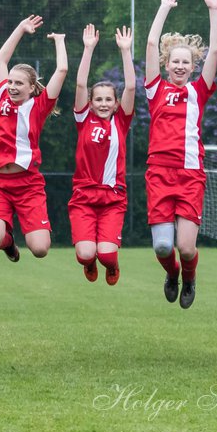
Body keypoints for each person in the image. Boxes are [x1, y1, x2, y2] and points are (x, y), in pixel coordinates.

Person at [142, 0, 217, 308]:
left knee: (187, 247)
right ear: (166, 63)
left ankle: (189, 276)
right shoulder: (155, 89)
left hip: (190, 176)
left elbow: (215, 51)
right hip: (159, 175)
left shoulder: (198, 91)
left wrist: (214, 11)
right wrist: (163, 8)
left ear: (192, 66)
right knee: (163, 247)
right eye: (174, 60)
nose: (179, 66)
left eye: (185, 62)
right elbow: (149, 44)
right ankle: (172, 273)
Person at [0, 15, 68, 262]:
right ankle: (8, 243)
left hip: (28, 185)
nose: (12, 86)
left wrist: (59, 41)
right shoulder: (2, 99)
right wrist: (20, 28)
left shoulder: (38, 107)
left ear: (31, 88)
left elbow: (62, 70)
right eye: (10, 82)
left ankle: (20, 236)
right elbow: (1, 60)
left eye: (19, 83)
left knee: (40, 249)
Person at [68, 25, 136, 284]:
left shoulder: (121, 122)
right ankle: (88, 263)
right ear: (91, 102)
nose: (104, 104)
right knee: (86, 254)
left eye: (109, 100)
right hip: (84, 197)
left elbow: (130, 87)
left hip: (112, 198)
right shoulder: (83, 118)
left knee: (106, 255)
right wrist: (88, 49)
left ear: (116, 103)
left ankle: (111, 264)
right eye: (98, 100)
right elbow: (80, 83)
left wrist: (125, 51)